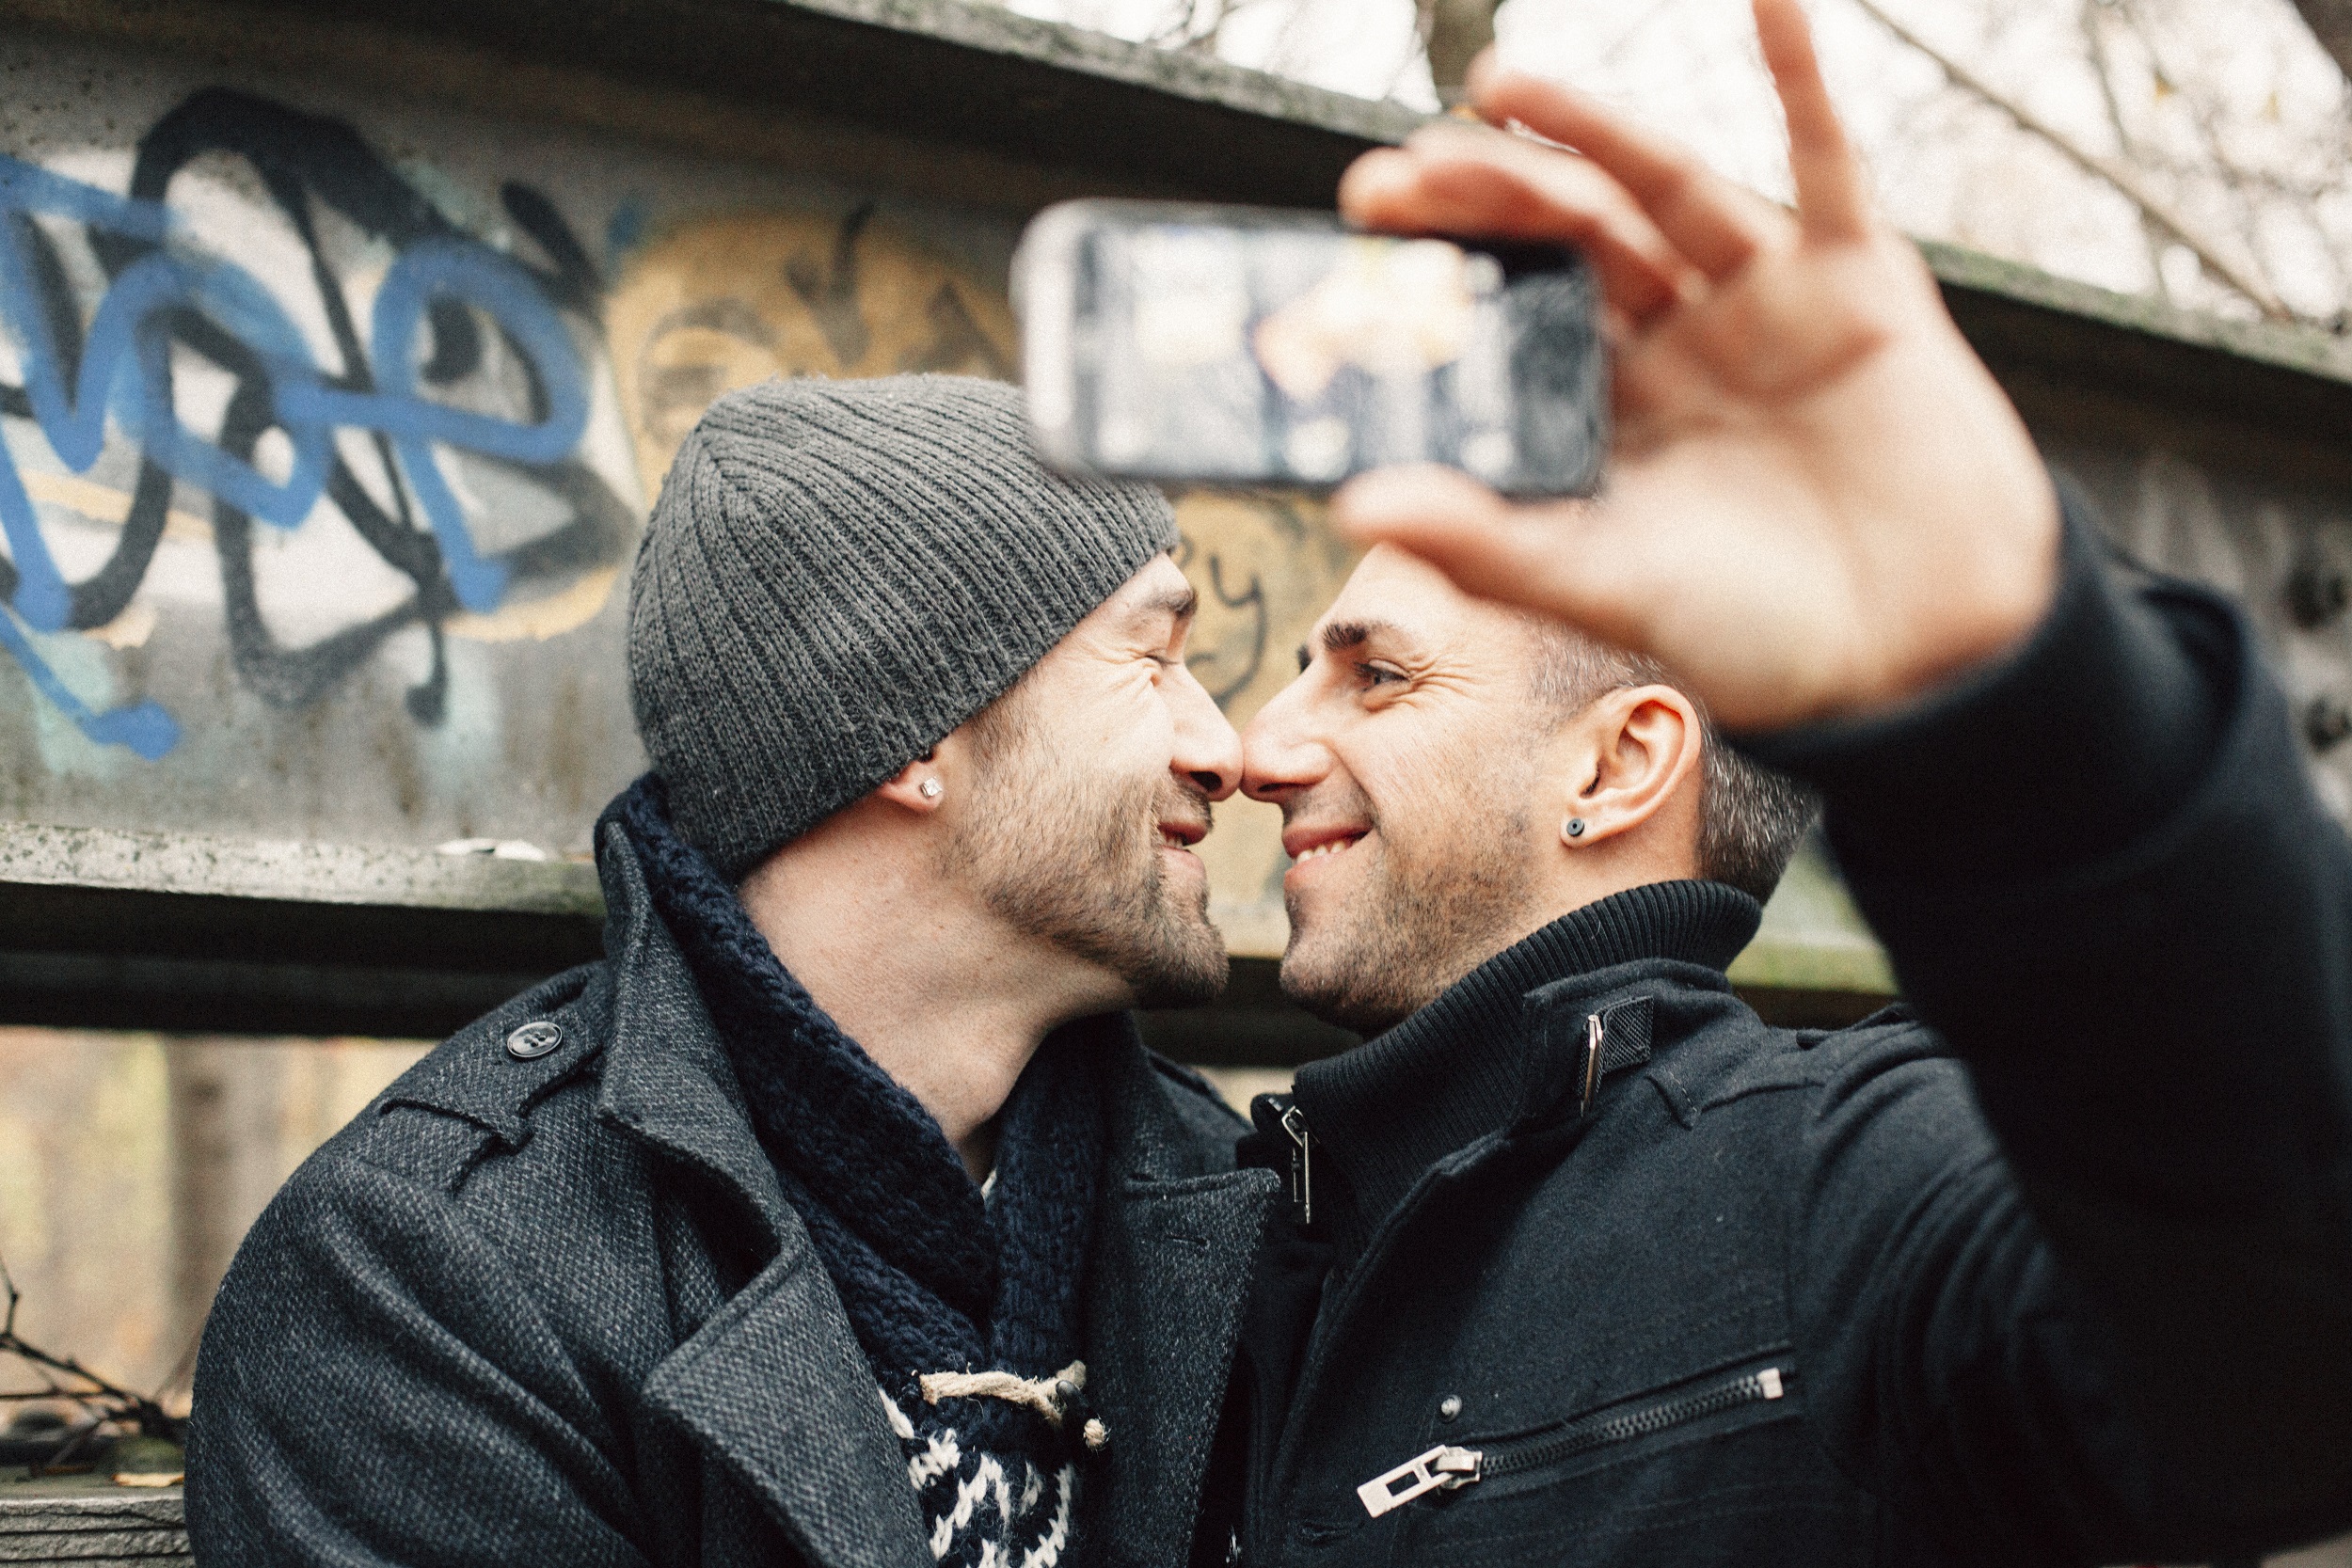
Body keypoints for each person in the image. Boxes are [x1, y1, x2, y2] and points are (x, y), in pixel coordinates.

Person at [1193, 2, 2352, 1565]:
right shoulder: (1197, 1229)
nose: (1262, 743)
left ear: (1619, 764)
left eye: (1374, 672)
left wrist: (2015, 687)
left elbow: (2295, 1349)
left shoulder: (1846, 1193)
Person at [184, 376, 1273, 1568]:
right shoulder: (428, 1285)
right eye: (1151, 657)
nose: (1224, 749)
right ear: (913, 734)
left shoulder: (1234, 1203)